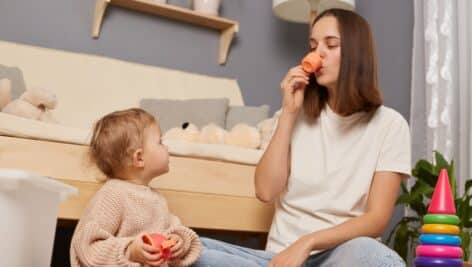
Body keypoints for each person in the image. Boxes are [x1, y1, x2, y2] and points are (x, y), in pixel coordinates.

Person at [193, 8, 410, 267]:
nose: (317, 54)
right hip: (279, 259)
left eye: (330, 45)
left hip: (339, 257)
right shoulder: (295, 114)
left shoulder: (390, 125)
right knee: (193, 250)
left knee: (377, 257)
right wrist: (288, 113)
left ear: (356, 52)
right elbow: (265, 190)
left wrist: (307, 243)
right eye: (313, 45)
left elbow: (377, 218)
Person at [70, 108, 201, 267]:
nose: (167, 147)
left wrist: (178, 241)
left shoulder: (156, 199)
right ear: (139, 158)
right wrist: (129, 251)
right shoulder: (113, 195)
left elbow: (174, 228)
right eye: (160, 142)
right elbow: (88, 247)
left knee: (211, 250)